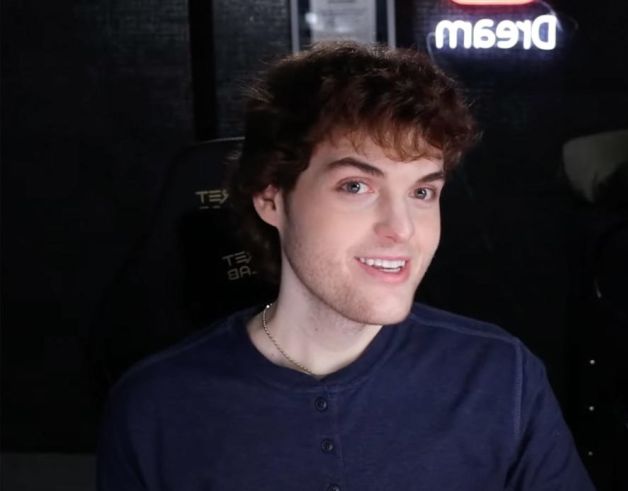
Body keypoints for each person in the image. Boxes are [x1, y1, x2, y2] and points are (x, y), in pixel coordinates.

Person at [97, 41, 595, 490]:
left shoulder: (501, 377)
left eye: (422, 191)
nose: (401, 228)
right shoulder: (154, 408)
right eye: (356, 186)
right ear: (271, 197)